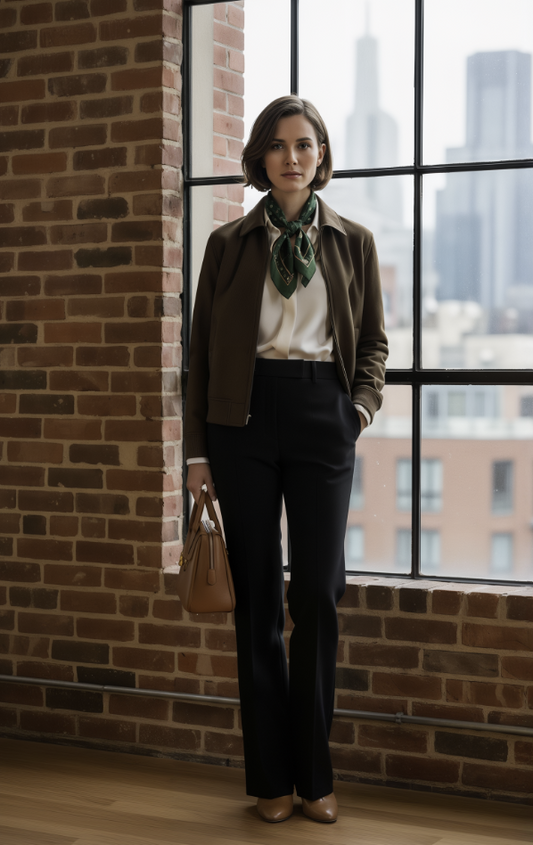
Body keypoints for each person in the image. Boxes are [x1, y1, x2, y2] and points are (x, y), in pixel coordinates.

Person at [184, 95, 388, 824]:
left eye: (304, 144)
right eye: (276, 144)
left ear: (321, 156)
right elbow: (200, 352)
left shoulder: (351, 241)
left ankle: (314, 776)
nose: (291, 156)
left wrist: (356, 411)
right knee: (259, 603)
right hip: (240, 421)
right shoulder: (229, 243)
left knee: (316, 597)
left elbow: (372, 345)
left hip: (321, 417)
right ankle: (269, 777)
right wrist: (197, 453)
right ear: (260, 159)